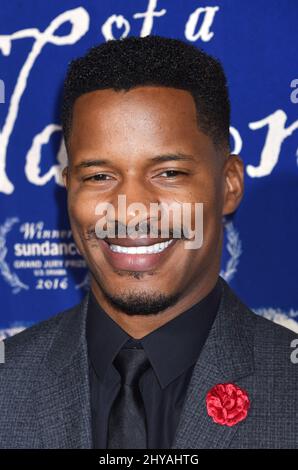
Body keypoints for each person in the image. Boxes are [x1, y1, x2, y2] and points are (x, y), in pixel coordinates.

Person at [0, 35, 297, 449]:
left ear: (229, 184)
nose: (131, 210)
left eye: (169, 173)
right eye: (99, 176)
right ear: (68, 189)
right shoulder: (6, 382)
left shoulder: (290, 383)